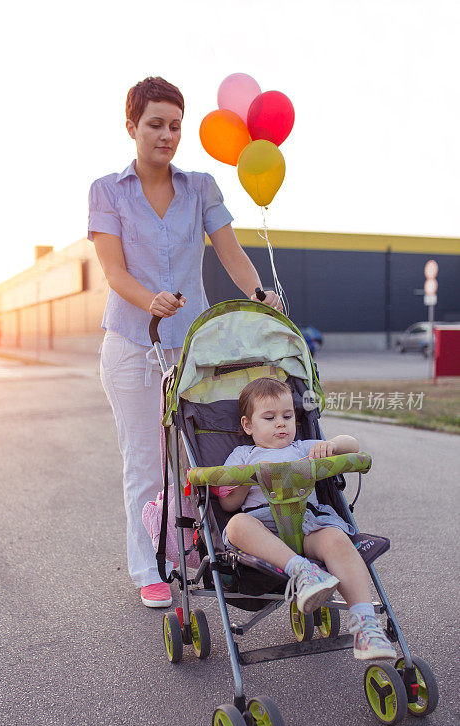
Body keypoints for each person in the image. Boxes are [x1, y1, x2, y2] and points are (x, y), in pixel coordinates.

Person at [88, 77, 282, 608]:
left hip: (195, 348)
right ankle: (149, 567)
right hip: (133, 344)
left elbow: (230, 251)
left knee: (197, 459)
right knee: (146, 462)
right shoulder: (107, 190)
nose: (167, 135)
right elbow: (113, 271)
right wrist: (150, 299)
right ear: (132, 127)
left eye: (175, 125)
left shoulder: (201, 186)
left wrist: (260, 293)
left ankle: (189, 552)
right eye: (155, 124)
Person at [219, 377, 396, 660]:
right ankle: (303, 571)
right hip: (265, 530)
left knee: (337, 540)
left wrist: (332, 445)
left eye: (287, 416)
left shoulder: (302, 448)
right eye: (270, 417)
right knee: (237, 525)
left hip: (308, 524)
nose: (281, 424)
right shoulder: (242, 455)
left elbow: (352, 446)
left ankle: (366, 625)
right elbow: (228, 503)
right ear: (248, 425)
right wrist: (243, 481)